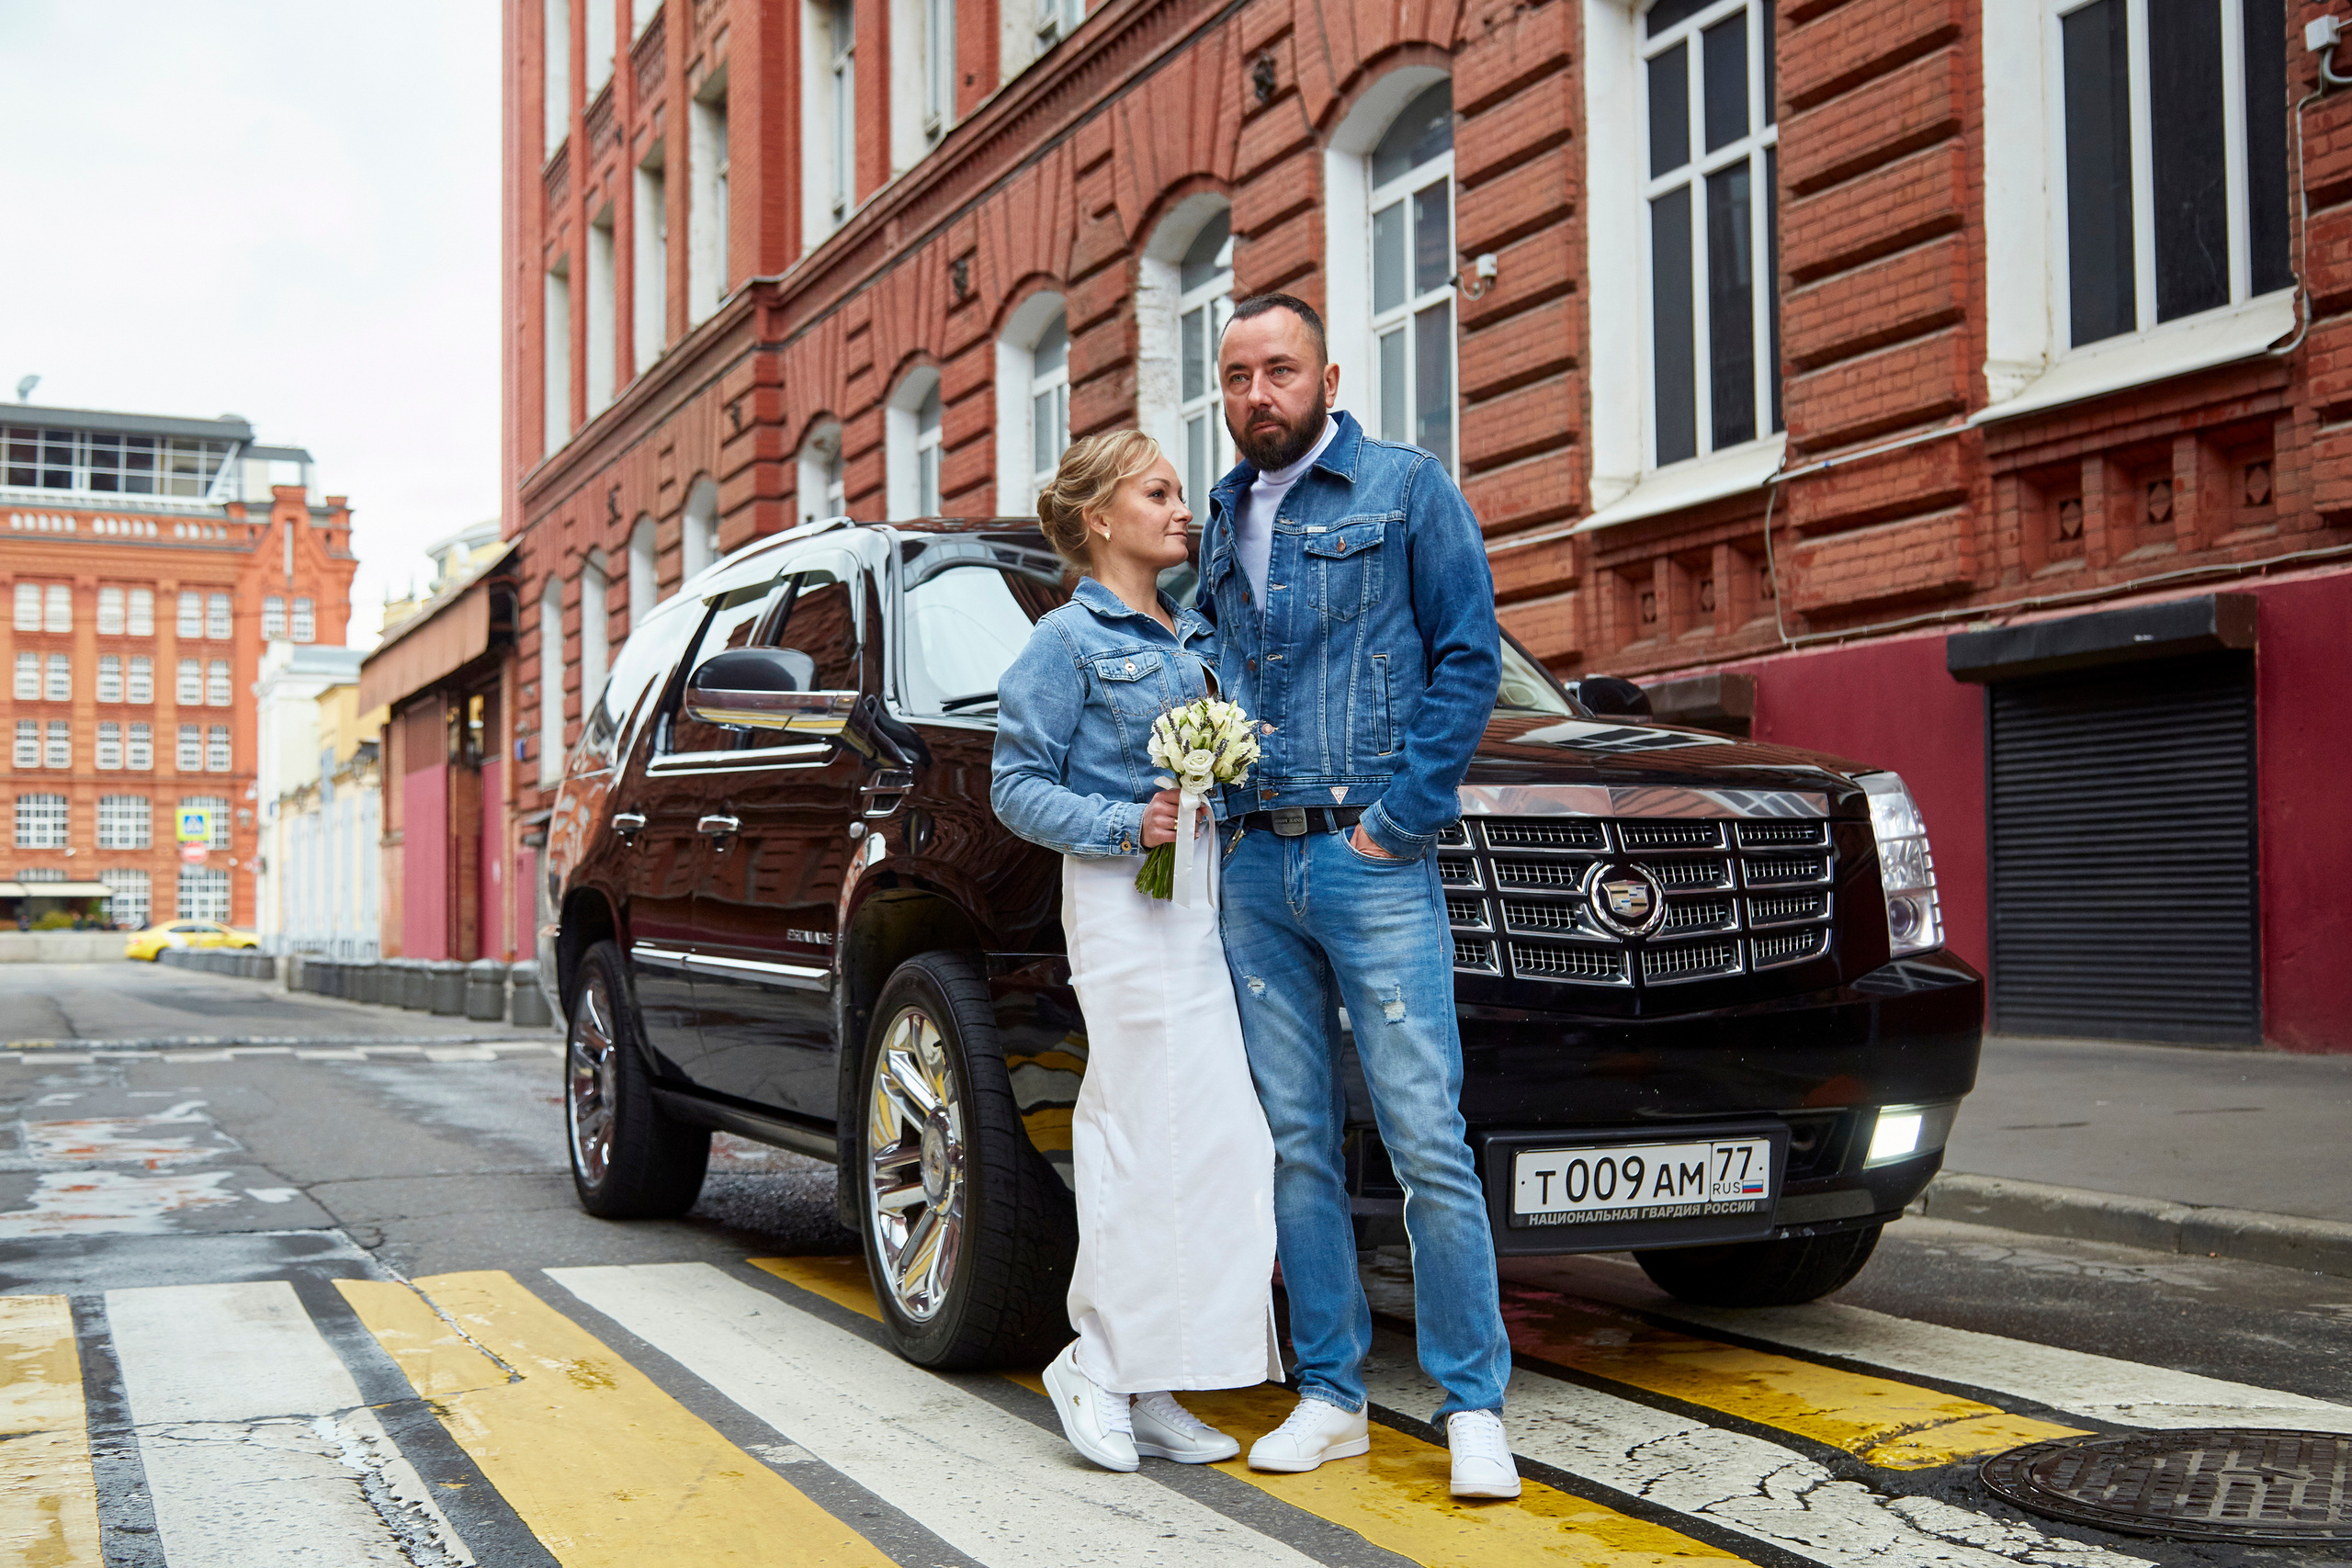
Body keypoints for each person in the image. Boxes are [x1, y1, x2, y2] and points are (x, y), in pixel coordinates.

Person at [1200, 292, 1520, 1499]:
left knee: (1425, 1133)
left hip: (1365, 851)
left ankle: (1473, 1402)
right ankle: (1330, 1390)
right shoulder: (1226, 509)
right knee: (1294, 1140)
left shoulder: (1404, 488)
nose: (1256, 396)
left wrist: (1403, 817)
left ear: (1327, 375)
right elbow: (1212, 652)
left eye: (1277, 371)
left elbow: (1469, 654)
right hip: (1254, 863)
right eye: (1235, 377)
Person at [990, 429, 1283, 1472]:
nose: (1180, 510)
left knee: (1212, 1142)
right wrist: (1130, 824)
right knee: (1137, 1128)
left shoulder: (1191, 635)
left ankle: (1154, 1375)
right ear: (1100, 520)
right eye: (1158, 493)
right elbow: (1014, 788)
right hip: (1123, 900)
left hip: (1197, 897)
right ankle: (1097, 1364)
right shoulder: (1063, 644)